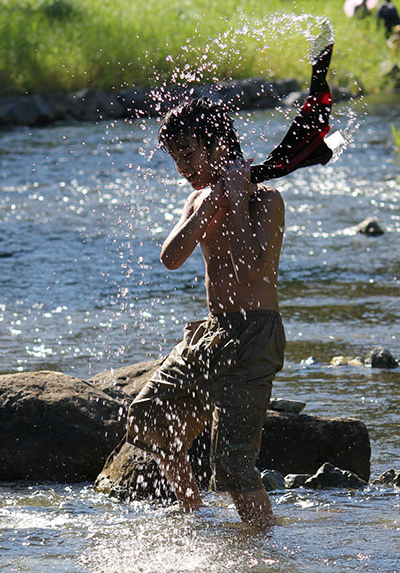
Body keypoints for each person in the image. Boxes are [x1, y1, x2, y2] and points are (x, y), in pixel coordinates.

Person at [125, 97, 286, 529]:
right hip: (212, 333)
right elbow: (171, 257)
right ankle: (193, 518)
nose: (182, 167)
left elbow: (254, 267)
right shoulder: (198, 201)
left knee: (232, 466)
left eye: (189, 154)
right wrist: (212, 201)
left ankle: (264, 545)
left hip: (254, 337)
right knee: (148, 416)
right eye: (176, 158)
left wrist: (234, 202)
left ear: (218, 146)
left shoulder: (266, 199)